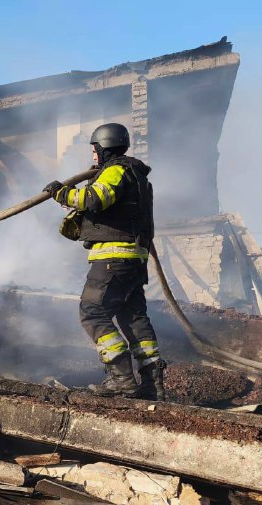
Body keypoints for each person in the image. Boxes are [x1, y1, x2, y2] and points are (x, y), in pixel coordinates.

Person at [42, 123, 166, 399]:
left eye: (94, 150)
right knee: (133, 318)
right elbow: (109, 207)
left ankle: (121, 379)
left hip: (113, 258)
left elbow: (95, 198)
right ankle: (151, 384)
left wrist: (62, 193)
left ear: (102, 147)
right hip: (134, 260)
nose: (93, 156)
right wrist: (75, 205)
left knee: (92, 311)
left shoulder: (115, 170)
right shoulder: (138, 177)